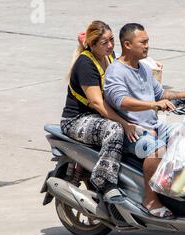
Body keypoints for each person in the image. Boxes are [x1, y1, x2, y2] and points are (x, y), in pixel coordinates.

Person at [104, 23, 185, 218]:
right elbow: (122, 101)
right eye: (143, 42)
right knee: (157, 150)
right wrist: (152, 105)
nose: (147, 46)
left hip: (153, 124)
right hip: (132, 129)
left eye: (147, 41)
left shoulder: (142, 67)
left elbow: (160, 93)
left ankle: (174, 186)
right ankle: (150, 199)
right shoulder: (116, 71)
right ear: (127, 44)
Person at [60, 20, 142, 202]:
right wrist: (124, 123)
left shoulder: (110, 56)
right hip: (77, 120)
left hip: (99, 117)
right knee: (115, 130)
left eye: (112, 40)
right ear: (92, 44)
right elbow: (97, 103)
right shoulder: (85, 64)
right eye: (105, 43)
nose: (111, 45)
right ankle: (104, 180)